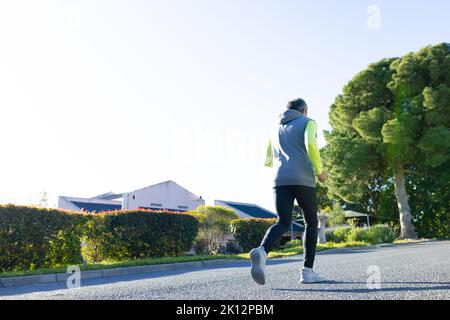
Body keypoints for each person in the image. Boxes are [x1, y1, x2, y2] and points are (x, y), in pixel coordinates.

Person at [250, 98, 329, 285]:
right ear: (304, 110)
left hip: (279, 179)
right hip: (302, 178)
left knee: (283, 221)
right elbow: (311, 144)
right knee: (311, 222)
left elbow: (269, 158)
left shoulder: (274, 128)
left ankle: (262, 251)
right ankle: (308, 272)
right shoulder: (309, 122)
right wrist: (319, 171)